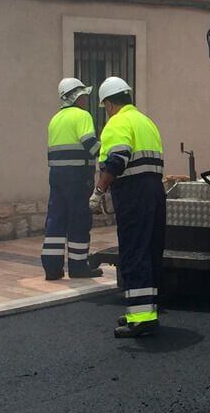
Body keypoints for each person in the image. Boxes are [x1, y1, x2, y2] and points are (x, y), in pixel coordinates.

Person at [90, 77, 165, 338]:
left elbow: (118, 158)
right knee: (150, 250)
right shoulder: (147, 122)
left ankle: (141, 318)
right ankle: (146, 310)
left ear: (109, 104)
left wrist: (99, 192)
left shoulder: (117, 123)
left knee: (133, 252)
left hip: (133, 194)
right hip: (155, 191)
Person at [42, 78, 103, 280]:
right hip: (78, 177)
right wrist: (107, 154)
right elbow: (90, 144)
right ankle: (78, 267)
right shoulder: (82, 116)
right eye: (84, 95)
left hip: (56, 176)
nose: (86, 99)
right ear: (77, 96)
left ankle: (52, 269)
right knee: (79, 219)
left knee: (56, 219)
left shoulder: (55, 119)